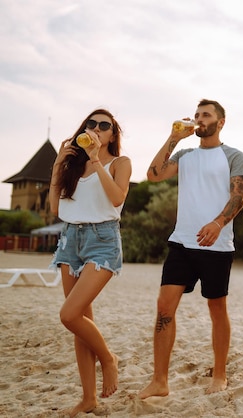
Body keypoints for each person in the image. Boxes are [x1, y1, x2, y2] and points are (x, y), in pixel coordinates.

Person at [139, 99, 243, 398]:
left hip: (217, 246)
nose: (200, 119)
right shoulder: (185, 155)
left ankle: (220, 373)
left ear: (221, 122)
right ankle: (160, 381)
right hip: (182, 242)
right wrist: (174, 137)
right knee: (164, 307)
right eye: (198, 114)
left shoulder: (234, 156)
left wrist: (218, 223)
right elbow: (153, 174)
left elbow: (238, 197)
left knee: (217, 309)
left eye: (206, 115)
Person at [49, 109, 132, 417]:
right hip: (70, 240)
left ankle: (109, 359)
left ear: (113, 134)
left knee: (69, 314)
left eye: (104, 125)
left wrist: (96, 158)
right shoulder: (72, 165)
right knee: (80, 323)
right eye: (91, 124)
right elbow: (56, 208)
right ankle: (88, 398)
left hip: (102, 239)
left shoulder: (120, 163)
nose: (96, 128)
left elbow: (116, 199)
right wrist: (60, 161)